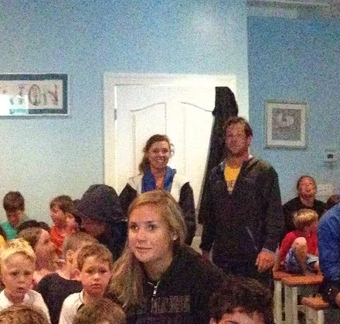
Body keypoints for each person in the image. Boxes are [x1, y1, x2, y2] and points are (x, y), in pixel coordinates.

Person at [114, 191, 223, 324]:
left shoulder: (204, 277)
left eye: (151, 227)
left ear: (173, 232)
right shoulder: (119, 279)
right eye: (134, 227)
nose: (140, 237)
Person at [195, 118, 282, 280]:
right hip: (223, 257)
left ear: (249, 139)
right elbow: (210, 215)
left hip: (256, 256)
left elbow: (274, 214)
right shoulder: (215, 174)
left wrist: (269, 249)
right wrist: (205, 249)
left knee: (255, 304)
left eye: (239, 135)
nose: (234, 140)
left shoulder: (264, 172)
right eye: (229, 136)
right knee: (224, 303)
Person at [121, 135, 199, 246]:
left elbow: (188, 223)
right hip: (141, 244)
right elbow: (123, 220)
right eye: (155, 151)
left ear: (170, 154)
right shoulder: (134, 184)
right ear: (147, 154)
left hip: (172, 247)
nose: (160, 155)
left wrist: (179, 247)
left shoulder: (181, 184)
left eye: (165, 151)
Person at [280, 174, 323, 244]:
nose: (307, 186)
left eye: (310, 183)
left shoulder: (323, 207)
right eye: (303, 184)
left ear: (315, 188)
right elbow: (283, 234)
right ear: (298, 189)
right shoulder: (288, 208)